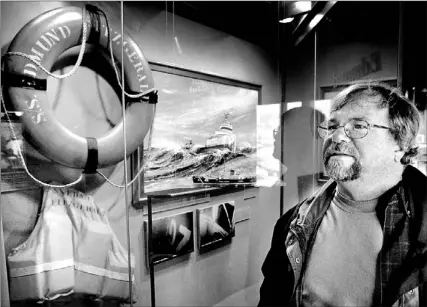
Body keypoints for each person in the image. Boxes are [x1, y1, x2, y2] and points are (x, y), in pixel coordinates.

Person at [259, 81, 427, 306]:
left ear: (401, 143)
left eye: (358, 126)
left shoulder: (422, 228)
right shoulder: (292, 225)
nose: (336, 137)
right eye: (331, 127)